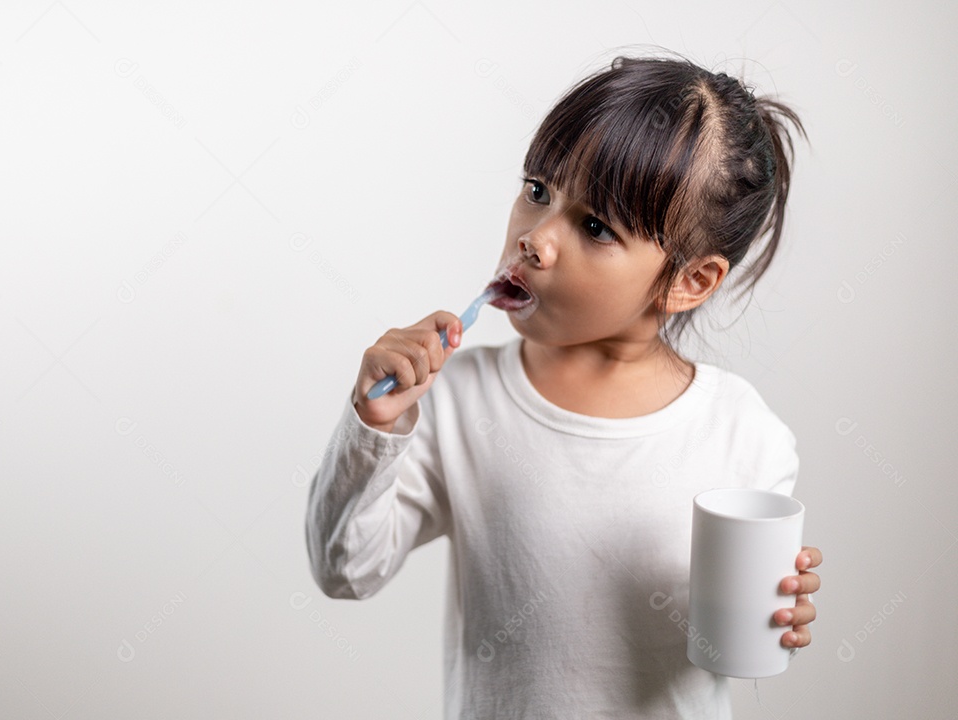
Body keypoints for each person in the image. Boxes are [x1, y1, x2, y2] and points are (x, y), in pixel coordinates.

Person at [304, 50, 823, 719]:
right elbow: (345, 570)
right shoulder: (462, 402)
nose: (536, 240)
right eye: (537, 191)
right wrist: (375, 426)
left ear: (689, 282)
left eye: (595, 226)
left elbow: (726, 640)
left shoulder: (743, 433)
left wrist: (776, 609)